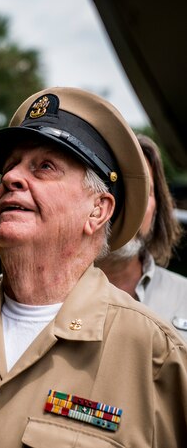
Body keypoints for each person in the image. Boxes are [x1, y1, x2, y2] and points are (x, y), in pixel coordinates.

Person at [0, 87, 187, 448]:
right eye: (9, 167)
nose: (10, 178)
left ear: (98, 210)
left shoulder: (156, 359)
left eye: (44, 167)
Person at [96, 134, 187, 339]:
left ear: (158, 209)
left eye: (145, 192)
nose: (131, 206)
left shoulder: (184, 297)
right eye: (120, 189)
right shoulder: (47, 295)